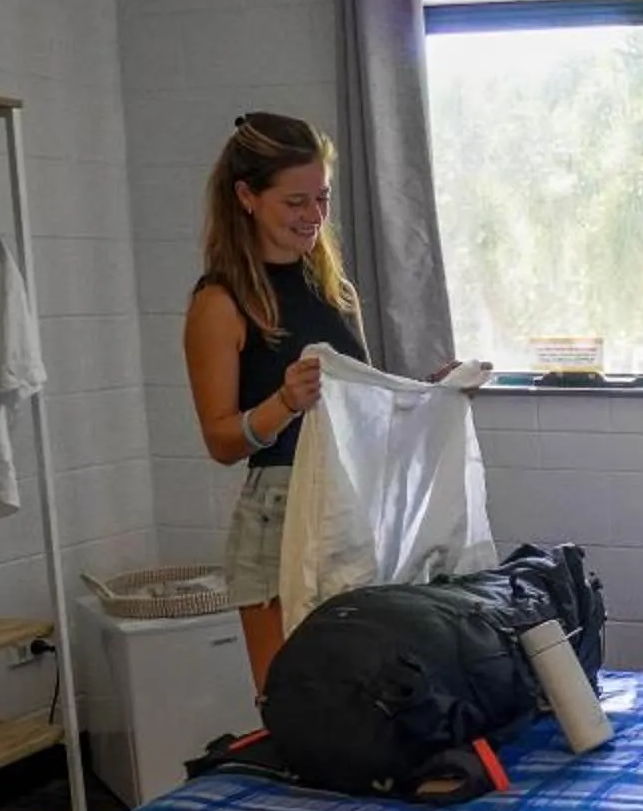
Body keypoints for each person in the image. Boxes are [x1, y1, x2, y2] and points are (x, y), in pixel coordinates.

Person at [181, 112, 459, 691]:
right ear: (246, 197)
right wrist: (283, 402)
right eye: (295, 202)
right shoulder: (220, 303)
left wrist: (431, 391)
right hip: (278, 510)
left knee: (366, 694)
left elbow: (361, 414)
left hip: (351, 504)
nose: (314, 217)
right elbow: (221, 442)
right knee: (290, 699)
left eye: (323, 199)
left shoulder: (331, 289)